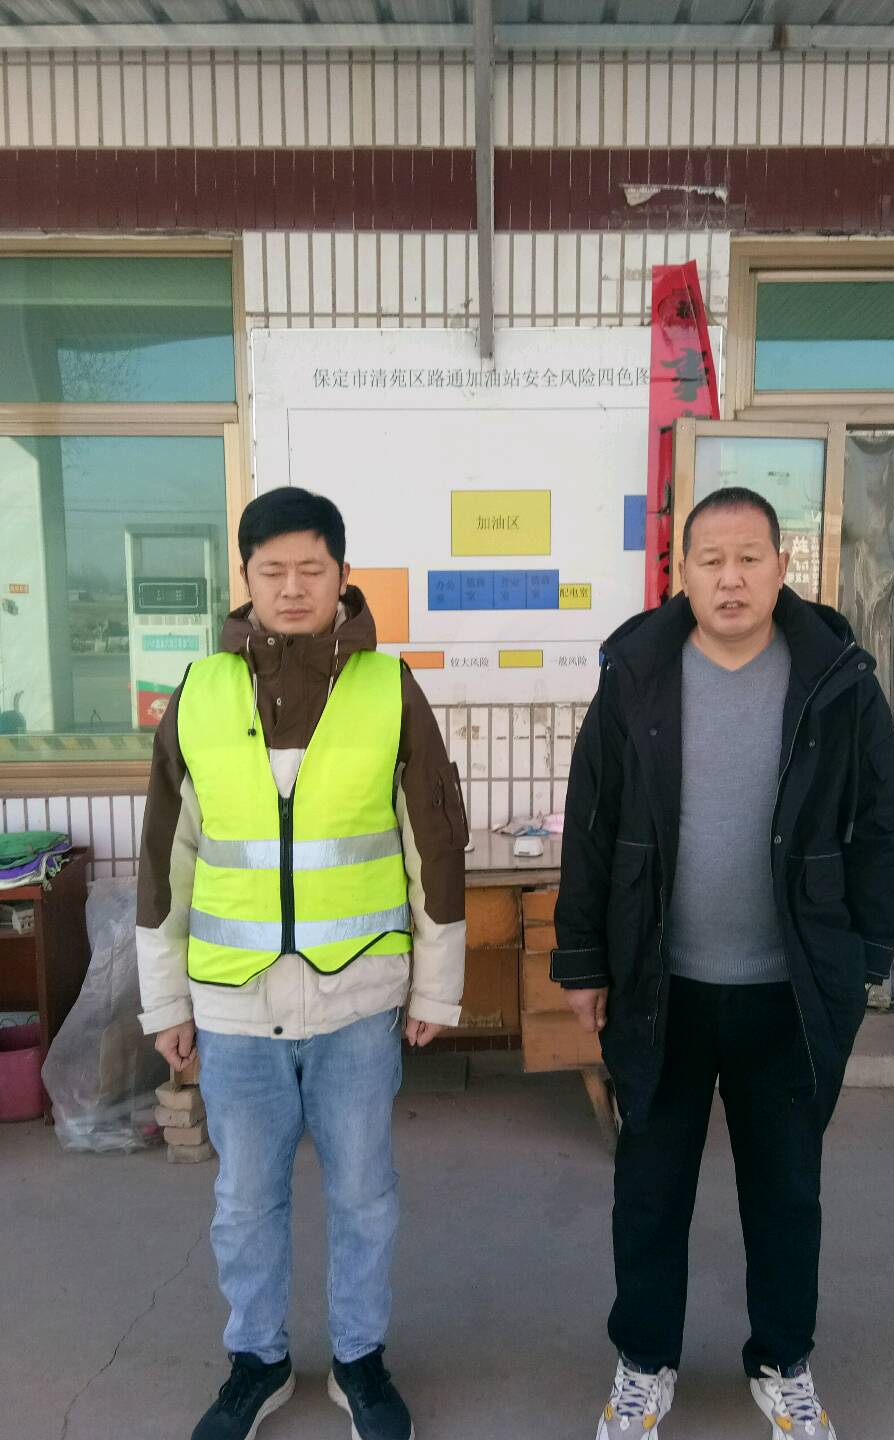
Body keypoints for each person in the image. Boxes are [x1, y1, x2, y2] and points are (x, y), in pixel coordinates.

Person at [553, 487, 894, 1440]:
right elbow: (590, 824)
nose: (731, 578)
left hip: (789, 990)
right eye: (710, 559)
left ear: (783, 566)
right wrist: (584, 962)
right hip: (659, 986)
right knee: (649, 1190)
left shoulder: (836, 679)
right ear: (683, 572)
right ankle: (644, 1362)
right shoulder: (637, 675)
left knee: (787, 1193)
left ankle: (782, 1361)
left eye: (750, 557)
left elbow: (883, 823)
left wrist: (867, 957)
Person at [136, 486, 467, 1440]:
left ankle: (359, 1360)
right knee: (244, 1199)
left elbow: (433, 845)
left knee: (364, 1194)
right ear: (245, 578)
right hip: (233, 1006)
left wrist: (437, 984)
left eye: (310, 569)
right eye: (272, 570)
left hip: (357, 999)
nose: (291, 587)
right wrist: (165, 1000)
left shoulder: (388, 688)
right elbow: (166, 859)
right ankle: (259, 1360)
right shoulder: (200, 692)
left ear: (341, 576)